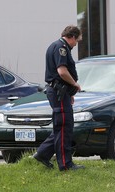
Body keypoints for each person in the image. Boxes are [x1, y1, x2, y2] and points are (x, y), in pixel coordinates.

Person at [33, 25, 85, 171]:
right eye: (77, 41)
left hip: (61, 93)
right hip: (58, 92)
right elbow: (62, 72)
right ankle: (66, 165)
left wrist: (69, 93)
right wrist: (75, 84)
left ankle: (43, 154)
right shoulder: (61, 48)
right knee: (64, 127)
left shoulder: (57, 46)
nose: (76, 44)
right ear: (72, 37)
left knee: (60, 127)